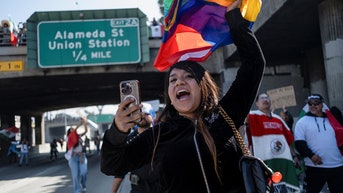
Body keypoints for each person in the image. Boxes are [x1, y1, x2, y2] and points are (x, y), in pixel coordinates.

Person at [101, 1, 265, 192]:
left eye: (188, 76)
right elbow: (112, 165)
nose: (179, 82)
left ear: (203, 86)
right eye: (173, 80)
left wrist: (235, 20)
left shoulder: (225, 116)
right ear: (170, 94)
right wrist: (117, 131)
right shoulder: (158, 135)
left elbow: (254, 64)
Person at [246, 93, 300, 192]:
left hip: (283, 161)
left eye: (267, 98)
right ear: (257, 103)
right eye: (262, 98)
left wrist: (294, 156)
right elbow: (243, 117)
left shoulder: (278, 119)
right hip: (264, 161)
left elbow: (288, 139)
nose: (265, 100)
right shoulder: (252, 116)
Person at [294, 94, 343, 193]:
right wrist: (311, 156)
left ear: (322, 104)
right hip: (315, 166)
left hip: (338, 165)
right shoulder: (302, 122)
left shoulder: (332, 119)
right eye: (310, 104)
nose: (312, 106)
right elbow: (299, 142)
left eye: (316, 103)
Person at [111, 103, 159, 193]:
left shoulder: (162, 135)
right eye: (139, 113)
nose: (142, 116)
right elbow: (120, 171)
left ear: (153, 116)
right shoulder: (129, 140)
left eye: (146, 113)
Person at [66, 117, 88, 193]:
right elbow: (74, 132)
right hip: (73, 159)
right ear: (69, 132)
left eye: (73, 129)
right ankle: (77, 191)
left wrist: (85, 123)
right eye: (71, 129)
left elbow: (85, 131)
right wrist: (80, 123)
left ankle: (83, 184)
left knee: (83, 172)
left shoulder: (78, 136)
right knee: (75, 176)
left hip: (82, 156)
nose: (73, 130)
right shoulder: (68, 138)